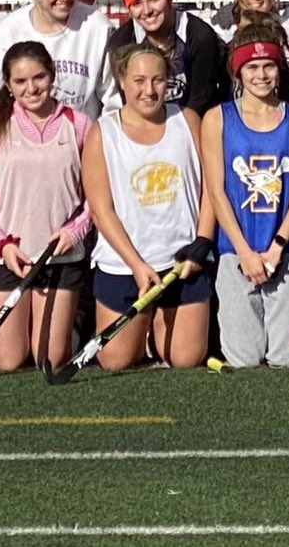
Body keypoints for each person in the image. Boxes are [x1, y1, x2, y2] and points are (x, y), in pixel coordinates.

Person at [82, 40, 216, 371]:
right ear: (122, 81)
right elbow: (101, 210)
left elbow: (211, 188)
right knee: (115, 360)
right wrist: (137, 265)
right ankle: (144, 332)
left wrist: (201, 243)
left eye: (158, 80)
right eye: (139, 81)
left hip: (181, 263)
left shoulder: (188, 120)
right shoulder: (103, 132)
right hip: (125, 266)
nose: (149, 90)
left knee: (185, 359)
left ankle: (159, 328)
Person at [202, 21, 289, 368]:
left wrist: (278, 246)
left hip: (285, 250)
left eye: (268, 66)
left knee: (285, 358)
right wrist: (245, 252)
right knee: (243, 359)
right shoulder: (218, 118)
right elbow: (217, 192)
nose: (261, 75)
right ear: (238, 71)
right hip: (237, 251)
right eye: (252, 66)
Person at [0, 40, 95, 372]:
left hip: (61, 256)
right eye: (20, 81)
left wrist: (76, 231)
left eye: (39, 77)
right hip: (12, 257)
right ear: (8, 85)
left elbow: (95, 198)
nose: (32, 88)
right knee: (8, 361)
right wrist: (2, 243)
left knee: (49, 359)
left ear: (52, 75)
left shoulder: (81, 124)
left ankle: (69, 325)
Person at [108, 0, 229, 116]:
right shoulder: (122, 42)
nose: (147, 10)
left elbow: (201, 101)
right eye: (136, 4)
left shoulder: (199, 35)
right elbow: (126, 102)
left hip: (192, 124)